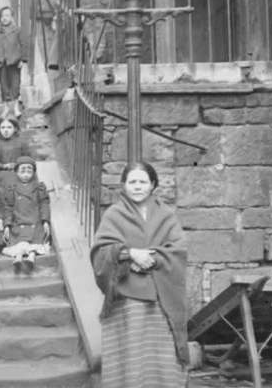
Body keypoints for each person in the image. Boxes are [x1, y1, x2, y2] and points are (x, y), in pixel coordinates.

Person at [90, 162, 188, 388]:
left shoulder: (166, 215)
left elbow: (178, 249)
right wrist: (129, 255)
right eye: (132, 182)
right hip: (127, 296)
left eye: (142, 181)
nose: (137, 187)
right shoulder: (114, 214)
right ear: (123, 185)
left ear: (153, 184)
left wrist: (150, 259)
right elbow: (101, 252)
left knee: (161, 353)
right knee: (132, 356)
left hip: (160, 296)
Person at [2, 156, 50, 275]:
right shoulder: (12, 188)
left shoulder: (39, 188)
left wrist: (45, 221)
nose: (26, 175)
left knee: (35, 240)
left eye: (29, 171)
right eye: (22, 171)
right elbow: (8, 207)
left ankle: (31, 258)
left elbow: (44, 204)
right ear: (16, 172)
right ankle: (18, 257)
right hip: (18, 220)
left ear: (34, 173)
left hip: (35, 220)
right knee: (19, 238)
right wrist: (7, 224)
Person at [0, 6, 28, 118]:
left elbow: (23, 44)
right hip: (1, 63)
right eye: (2, 16)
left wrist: (23, 59)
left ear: (12, 17)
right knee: (4, 86)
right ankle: (6, 108)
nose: (4, 18)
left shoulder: (17, 30)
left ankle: (16, 108)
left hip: (14, 62)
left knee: (15, 85)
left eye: (7, 15)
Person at [0, 117, 30, 189]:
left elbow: (29, 160)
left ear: (15, 129)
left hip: (20, 173)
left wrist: (17, 164)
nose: (5, 130)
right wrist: (3, 166)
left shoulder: (22, 143)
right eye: (3, 127)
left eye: (9, 127)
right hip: (2, 175)